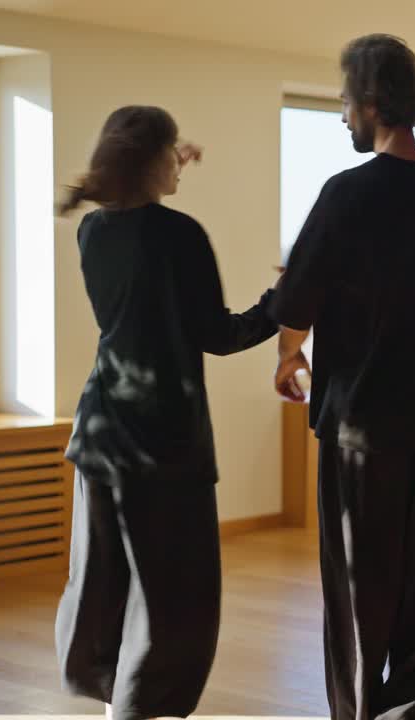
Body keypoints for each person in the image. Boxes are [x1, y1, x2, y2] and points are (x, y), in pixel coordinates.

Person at [271, 34, 415, 720]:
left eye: (343, 103)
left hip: (363, 432)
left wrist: (288, 353)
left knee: (361, 598)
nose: (339, 117)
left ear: (369, 104)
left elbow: (296, 299)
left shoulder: (346, 193)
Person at [54, 105, 277, 720]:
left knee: (107, 584)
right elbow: (219, 334)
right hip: (162, 441)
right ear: (152, 158)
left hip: (99, 432)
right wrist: (282, 303)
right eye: (173, 151)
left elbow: (139, 244)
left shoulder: (93, 231)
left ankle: (112, 699)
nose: (183, 162)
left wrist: (161, 160)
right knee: (175, 598)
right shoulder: (180, 234)